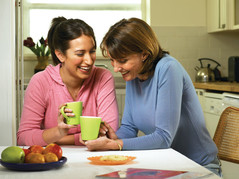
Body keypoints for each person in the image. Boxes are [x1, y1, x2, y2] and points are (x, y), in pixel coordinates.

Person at [83, 18, 222, 176]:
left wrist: (115, 145)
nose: (116, 68)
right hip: (168, 165)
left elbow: (163, 138)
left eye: (122, 61)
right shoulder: (134, 74)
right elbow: (129, 127)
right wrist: (109, 138)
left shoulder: (168, 69)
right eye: (112, 61)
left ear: (144, 54)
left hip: (198, 168)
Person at [17, 16, 118, 146]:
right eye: (80, 54)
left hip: (93, 156)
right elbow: (23, 137)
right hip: (52, 158)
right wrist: (59, 132)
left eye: (92, 51)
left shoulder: (103, 77)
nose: (89, 60)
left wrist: (51, 138)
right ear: (60, 55)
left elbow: (109, 132)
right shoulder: (41, 81)